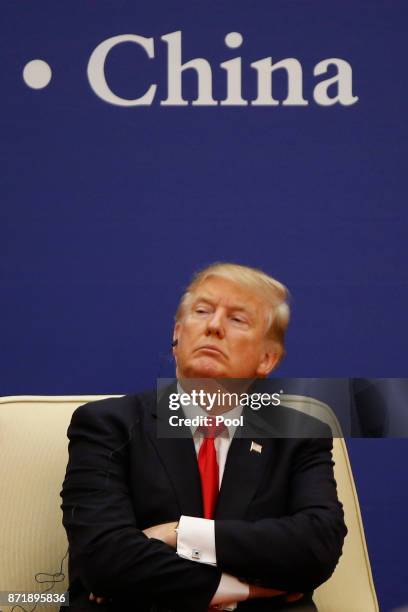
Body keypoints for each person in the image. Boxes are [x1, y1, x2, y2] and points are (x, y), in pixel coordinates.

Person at [60, 262, 347, 611]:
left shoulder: (299, 434)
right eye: (202, 311)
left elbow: (316, 547)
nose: (213, 326)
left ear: (267, 359)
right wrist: (245, 590)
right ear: (177, 335)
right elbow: (104, 559)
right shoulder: (108, 424)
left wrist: (178, 533)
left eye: (237, 319)